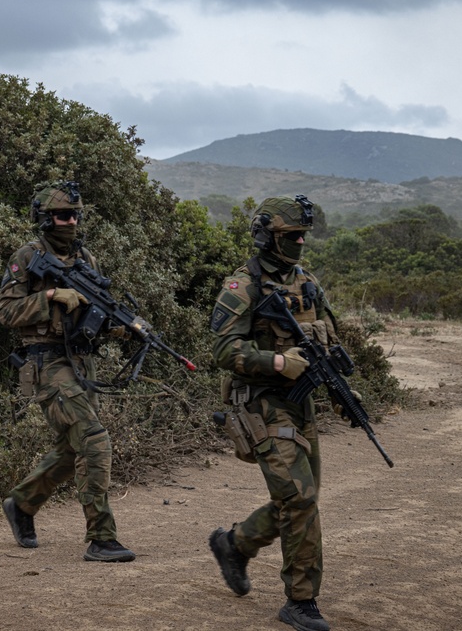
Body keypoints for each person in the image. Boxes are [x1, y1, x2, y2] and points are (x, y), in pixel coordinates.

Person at [208, 195, 337, 631]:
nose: (300, 241)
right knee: (299, 499)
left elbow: (326, 337)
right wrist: (278, 362)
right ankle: (300, 602)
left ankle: (235, 545)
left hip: (301, 402)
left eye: (303, 234)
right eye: (290, 236)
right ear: (266, 235)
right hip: (261, 404)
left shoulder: (306, 282)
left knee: (301, 499)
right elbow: (224, 349)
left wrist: (337, 376)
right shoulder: (242, 285)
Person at [0, 181, 135, 563]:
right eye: (62, 215)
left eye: (74, 214)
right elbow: (5, 312)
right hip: (46, 362)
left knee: (70, 447)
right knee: (94, 440)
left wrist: (126, 326)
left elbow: (98, 312)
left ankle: (22, 504)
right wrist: (50, 296)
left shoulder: (85, 258)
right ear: (44, 218)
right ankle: (101, 538)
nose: (70, 221)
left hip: (79, 362)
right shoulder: (26, 257)